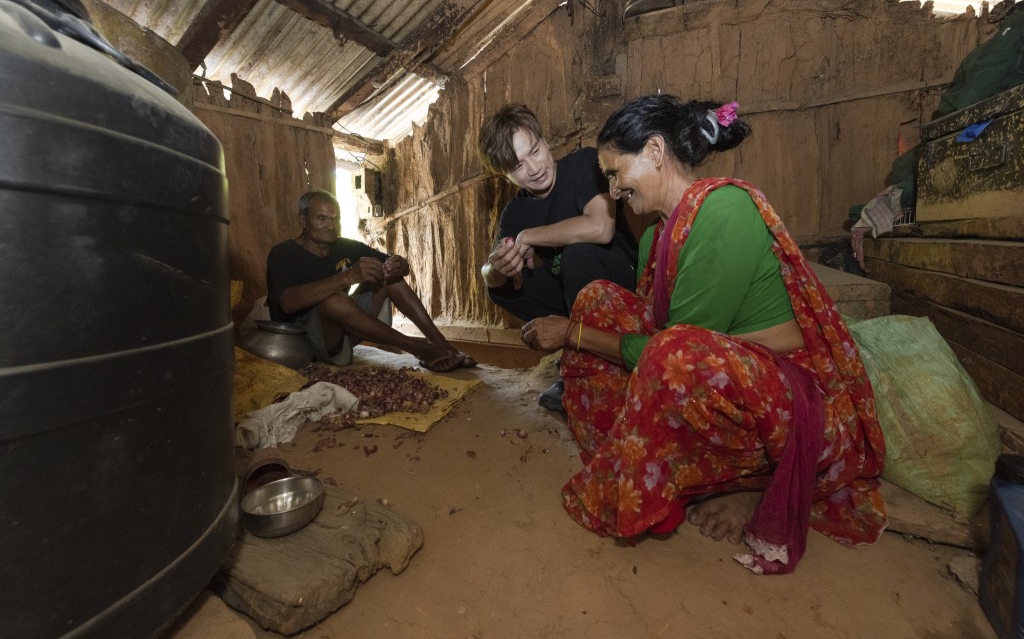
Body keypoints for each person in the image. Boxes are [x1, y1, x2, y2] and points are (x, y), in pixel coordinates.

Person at [519, 95, 887, 574]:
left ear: (654, 151)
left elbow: (674, 352)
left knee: (666, 350)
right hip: (723, 377)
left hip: (790, 402)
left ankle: (747, 486)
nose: (612, 191)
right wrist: (586, 326)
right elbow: (668, 339)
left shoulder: (724, 210)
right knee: (597, 301)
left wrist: (574, 335)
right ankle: (671, 479)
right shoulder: (656, 235)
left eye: (615, 173)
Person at [478, 104, 638, 412]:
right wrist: (496, 266)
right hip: (574, 297)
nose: (534, 168)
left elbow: (601, 228)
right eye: (518, 166)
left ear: (544, 140)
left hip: (621, 286)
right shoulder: (516, 212)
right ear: (505, 176)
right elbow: (491, 269)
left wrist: (528, 237)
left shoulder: (583, 165)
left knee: (576, 255)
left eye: (535, 151)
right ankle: (578, 356)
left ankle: (583, 362)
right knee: (499, 287)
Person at [266, 190, 476, 372]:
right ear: (302, 221)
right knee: (334, 299)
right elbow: (287, 302)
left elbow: (394, 264)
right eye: (322, 219)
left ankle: (442, 344)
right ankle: (418, 348)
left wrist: (399, 265)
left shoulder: (344, 246)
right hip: (306, 343)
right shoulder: (283, 253)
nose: (331, 225)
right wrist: (347, 277)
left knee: (390, 278)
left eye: (335, 219)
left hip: (345, 333)